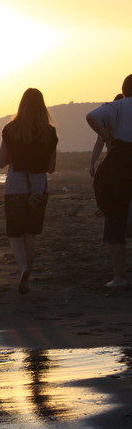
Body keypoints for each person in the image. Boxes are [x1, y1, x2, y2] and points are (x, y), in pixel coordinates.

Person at [0, 88, 58, 294]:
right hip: (39, 186)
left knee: (15, 235)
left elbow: (1, 162)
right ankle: (28, 272)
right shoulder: (50, 133)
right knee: (30, 235)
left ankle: (23, 268)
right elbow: (51, 167)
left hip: (15, 185)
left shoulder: (10, 129)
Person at [85, 74, 132, 288]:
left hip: (119, 164)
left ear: (124, 89)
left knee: (114, 218)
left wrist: (107, 137)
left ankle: (120, 277)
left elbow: (91, 116)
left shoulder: (117, 106)